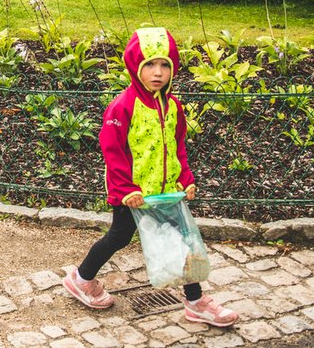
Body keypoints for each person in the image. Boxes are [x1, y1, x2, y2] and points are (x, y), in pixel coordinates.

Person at [64, 27, 240, 328]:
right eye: (149, 65)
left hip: (167, 192)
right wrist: (125, 189)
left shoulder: (172, 106)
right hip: (134, 194)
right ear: (136, 66)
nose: (157, 73)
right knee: (119, 237)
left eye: (164, 65)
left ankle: (196, 302)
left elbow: (177, 144)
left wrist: (185, 177)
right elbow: (113, 150)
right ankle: (81, 279)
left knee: (184, 241)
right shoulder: (122, 107)